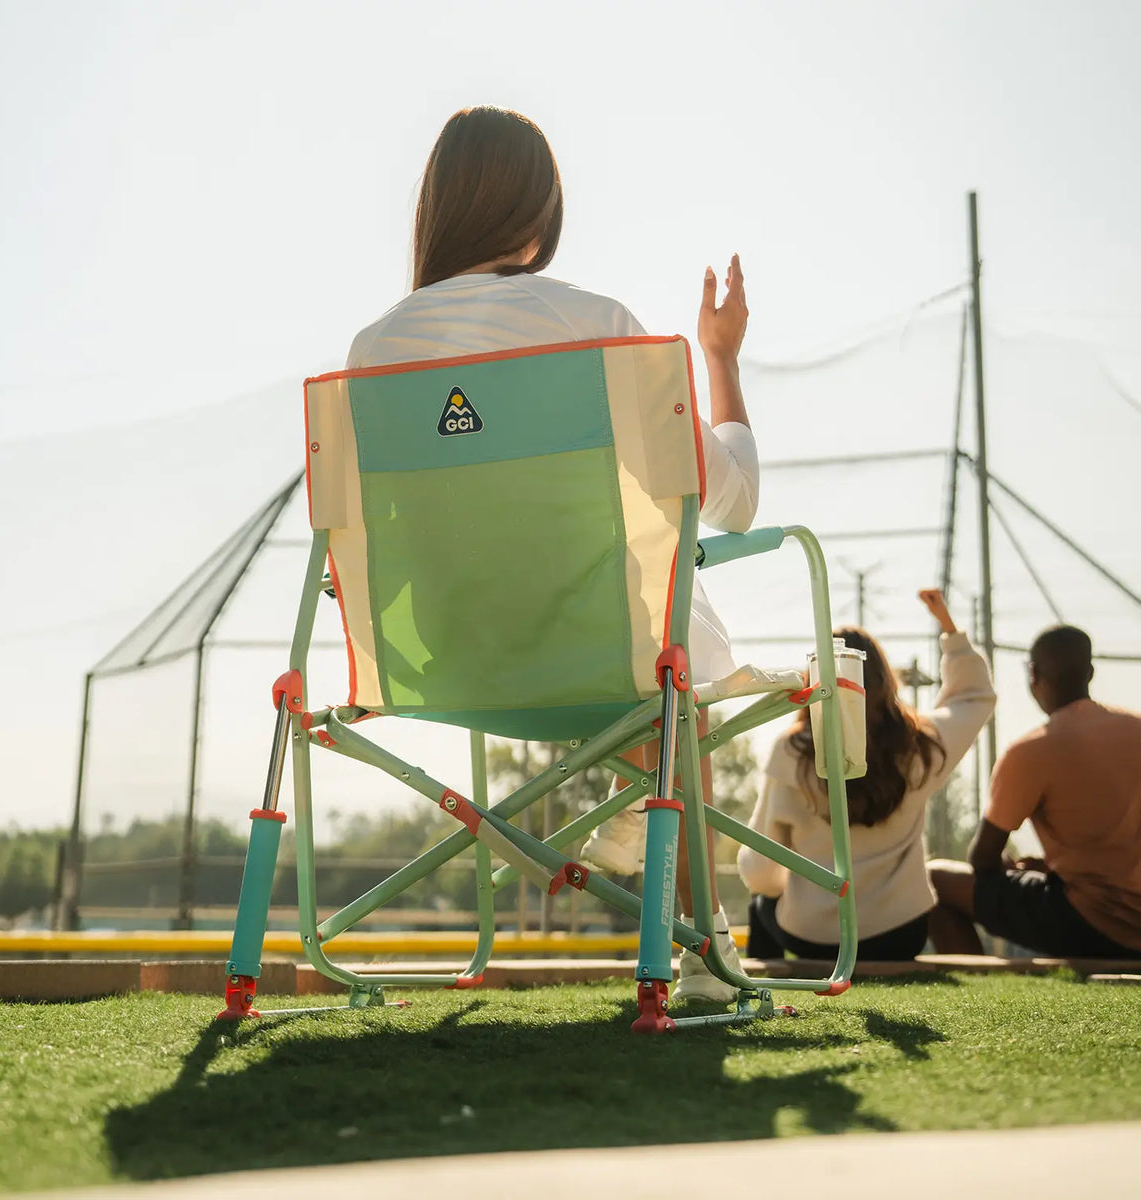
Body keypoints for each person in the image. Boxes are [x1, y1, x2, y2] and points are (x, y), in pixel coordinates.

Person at [346, 106, 761, 1002]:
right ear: (539, 214)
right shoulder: (598, 326)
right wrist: (721, 358)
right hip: (610, 663)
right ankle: (703, 947)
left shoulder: (372, 354)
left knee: (632, 633)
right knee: (664, 657)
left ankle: (634, 821)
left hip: (445, 665)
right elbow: (732, 503)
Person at [738, 589, 995, 961]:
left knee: (760, 900)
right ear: (884, 680)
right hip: (900, 933)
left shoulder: (792, 752)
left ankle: (762, 994)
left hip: (814, 937)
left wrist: (781, 890)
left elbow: (761, 870)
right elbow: (973, 698)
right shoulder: (919, 746)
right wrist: (950, 630)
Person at [928, 625, 1141, 959]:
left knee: (932, 880)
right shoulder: (1136, 729)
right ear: (1090, 672)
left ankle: (977, 986)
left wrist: (1017, 870)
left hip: (1085, 922)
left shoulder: (1031, 750)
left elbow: (982, 859)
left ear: (1033, 675)